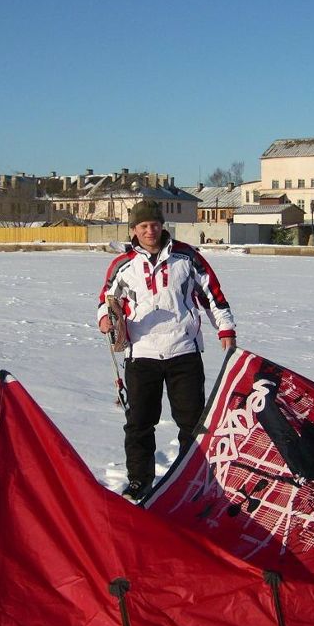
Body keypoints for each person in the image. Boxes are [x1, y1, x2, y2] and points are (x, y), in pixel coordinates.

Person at [97, 200, 236, 500]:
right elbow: (106, 300)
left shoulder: (187, 257)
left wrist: (225, 328)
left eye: (155, 224)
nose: (151, 230)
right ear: (134, 229)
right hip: (141, 354)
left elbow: (213, 295)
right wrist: (105, 319)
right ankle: (139, 481)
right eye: (144, 226)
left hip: (183, 352)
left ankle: (195, 479)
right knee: (139, 424)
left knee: (192, 423)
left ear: (163, 226)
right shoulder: (122, 265)